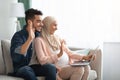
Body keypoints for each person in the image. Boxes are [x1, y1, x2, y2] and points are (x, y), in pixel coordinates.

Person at [33, 16, 94, 80]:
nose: (57, 28)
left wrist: (84, 57)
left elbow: (70, 53)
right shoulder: (39, 40)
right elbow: (43, 60)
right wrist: (59, 55)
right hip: (58, 70)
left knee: (87, 67)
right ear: (47, 25)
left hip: (68, 65)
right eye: (54, 25)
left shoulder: (57, 38)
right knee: (79, 69)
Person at [10, 9, 57, 80]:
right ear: (29, 22)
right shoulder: (18, 35)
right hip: (22, 67)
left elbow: (46, 52)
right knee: (27, 70)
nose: (42, 24)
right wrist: (30, 39)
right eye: (38, 21)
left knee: (51, 67)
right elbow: (16, 56)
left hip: (36, 67)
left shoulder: (39, 35)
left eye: (41, 21)